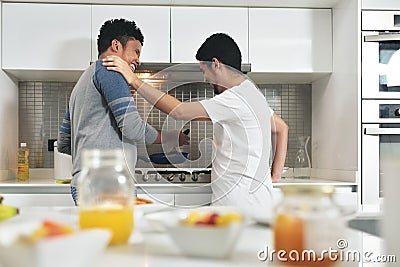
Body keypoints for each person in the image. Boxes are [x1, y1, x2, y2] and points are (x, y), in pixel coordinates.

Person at [102, 33, 288, 215]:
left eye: (203, 71)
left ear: (216, 64)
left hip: (239, 204)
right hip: (259, 200)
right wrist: (275, 176)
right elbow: (282, 128)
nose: (205, 78)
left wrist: (133, 79)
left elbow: (179, 112)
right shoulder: (252, 93)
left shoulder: (235, 98)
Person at [57, 18, 189, 205]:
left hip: (85, 183)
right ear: (116, 45)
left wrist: (99, 153)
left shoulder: (81, 83)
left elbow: (64, 143)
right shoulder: (110, 70)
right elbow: (132, 127)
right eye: (136, 51)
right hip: (107, 185)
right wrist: (170, 137)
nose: (138, 59)